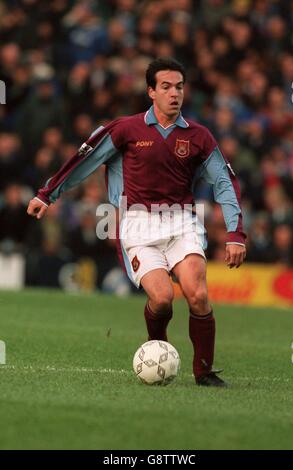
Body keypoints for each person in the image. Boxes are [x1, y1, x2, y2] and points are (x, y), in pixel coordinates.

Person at [27, 57, 246, 387]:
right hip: (139, 225)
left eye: (180, 87)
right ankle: (159, 348)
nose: (175, 93)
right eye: (166, 87)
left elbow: (224, 183)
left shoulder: (200, 137)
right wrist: (48, 194)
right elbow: (84, 160)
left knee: (197, 294)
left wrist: (235, 233)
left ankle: (204, 373)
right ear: (151, 92)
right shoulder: (126, 129)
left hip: (183, 222)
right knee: (161, 299)